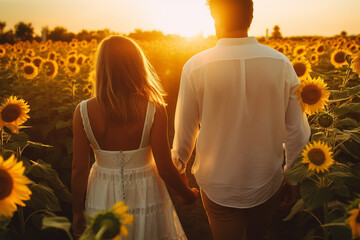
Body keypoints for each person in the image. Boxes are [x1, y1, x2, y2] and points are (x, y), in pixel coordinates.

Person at [171, 0, 311, 239]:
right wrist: (292, 175)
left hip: (218, 182)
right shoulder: (281, 64)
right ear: (250, 18)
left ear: (217, 18)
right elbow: (297, 131)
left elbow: (185, 131)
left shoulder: (196, 66)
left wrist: (179, 166)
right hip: (266, 178)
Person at [72, 35, 198, 239]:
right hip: (145, 190)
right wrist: (186, 194)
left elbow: (79, 169)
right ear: (137, 67)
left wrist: (77, 211)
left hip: (102, 191)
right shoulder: (153, 109)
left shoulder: (83, 111)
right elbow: (165, 168)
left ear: (101, 68)